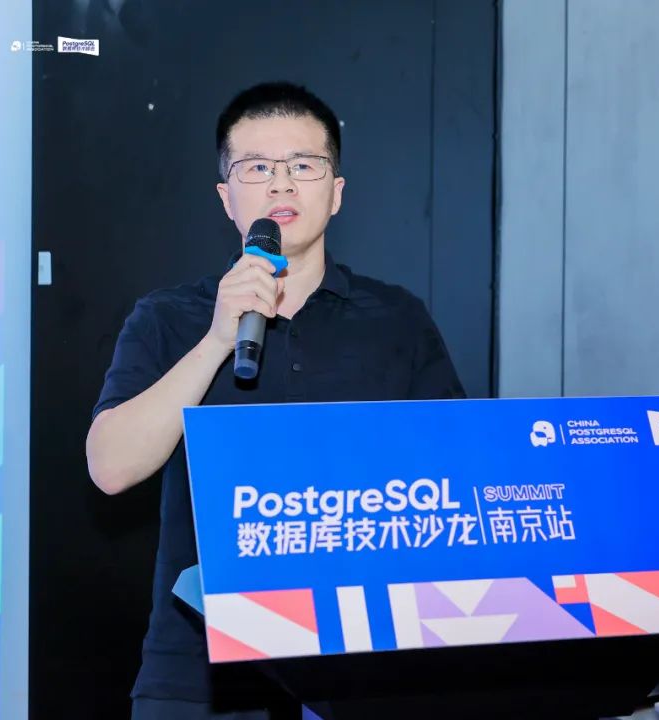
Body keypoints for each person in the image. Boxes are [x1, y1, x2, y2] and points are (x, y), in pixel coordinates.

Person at [86, 81, 465, 720]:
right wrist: (217, 337)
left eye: (303, 166)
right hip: (199, 673)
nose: (281, 184)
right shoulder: (168, 318)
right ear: (226, 197)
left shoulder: (396, 318)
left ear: (336, 192)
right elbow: (110, 467)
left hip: (365, 666)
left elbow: (456, 473)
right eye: (257, 168)